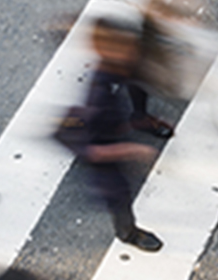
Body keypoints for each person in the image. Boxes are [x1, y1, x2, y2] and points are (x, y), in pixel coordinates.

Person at [55, 18, 164, 252]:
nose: (131, 54)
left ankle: (140, 118)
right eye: (122, 49)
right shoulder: (96, 96)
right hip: (99, 143)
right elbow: (73, 137)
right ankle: (127, 232)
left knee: (137, 86)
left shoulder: (122, 66)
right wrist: (127, 150)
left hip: (114, 123)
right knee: (118, 194)